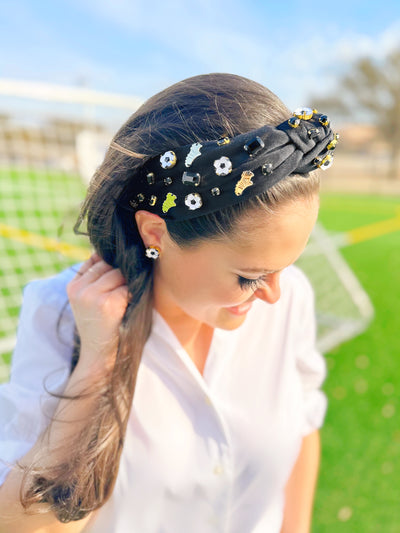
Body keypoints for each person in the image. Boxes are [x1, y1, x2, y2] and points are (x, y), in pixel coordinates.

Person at [0, 73, 336, 533]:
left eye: (288, 265)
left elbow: (302, 426)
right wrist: (96, 367)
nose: (276, 294)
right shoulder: (60, 314)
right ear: (155, 233)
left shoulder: (290, 296)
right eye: (249, 277)